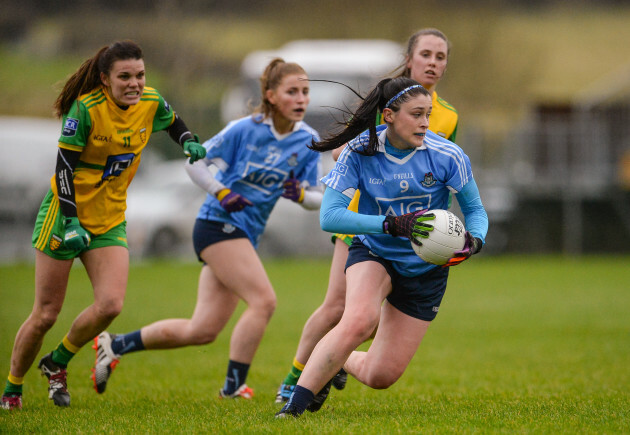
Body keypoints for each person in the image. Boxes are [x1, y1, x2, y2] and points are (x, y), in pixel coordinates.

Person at [91, 58, 323, 399]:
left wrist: (302, 194)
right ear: (271, 96)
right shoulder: (245, 129)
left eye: (305, 91)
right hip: (217, 225)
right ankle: (232, 387)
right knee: (264, 301)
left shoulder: (308, 140)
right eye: (293, 91)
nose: (301, 98)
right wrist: (221, 191)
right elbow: (194, 163)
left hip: (245, 235)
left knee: (202, 331)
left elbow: (317, 196)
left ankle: (116, 345)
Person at [0, 40, 207, 411]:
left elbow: (173, 121)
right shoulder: (87, 109)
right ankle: (12, 388)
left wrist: (188, 139)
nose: (134, 83)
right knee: (46, 313)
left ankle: (57, 362)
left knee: (110, 304)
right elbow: (64, 168)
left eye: (139, 75)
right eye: (124, 76)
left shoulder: (151, 100)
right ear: (104, 79)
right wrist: (70, 220)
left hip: (110, 219)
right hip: (65, 215)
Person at [275, 76, 488, 417]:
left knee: (380, 375)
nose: (425, 122)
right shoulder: (359, 151)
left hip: (425, 269)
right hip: (375, 252)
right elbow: (329, 216)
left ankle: (337, 362)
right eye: (416, 114)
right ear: (388, 115)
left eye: (428, 114)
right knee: (358, 320)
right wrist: (389, 224)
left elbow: (476, 211)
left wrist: (474, 241)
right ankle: (293, 407)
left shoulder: (448, 155)